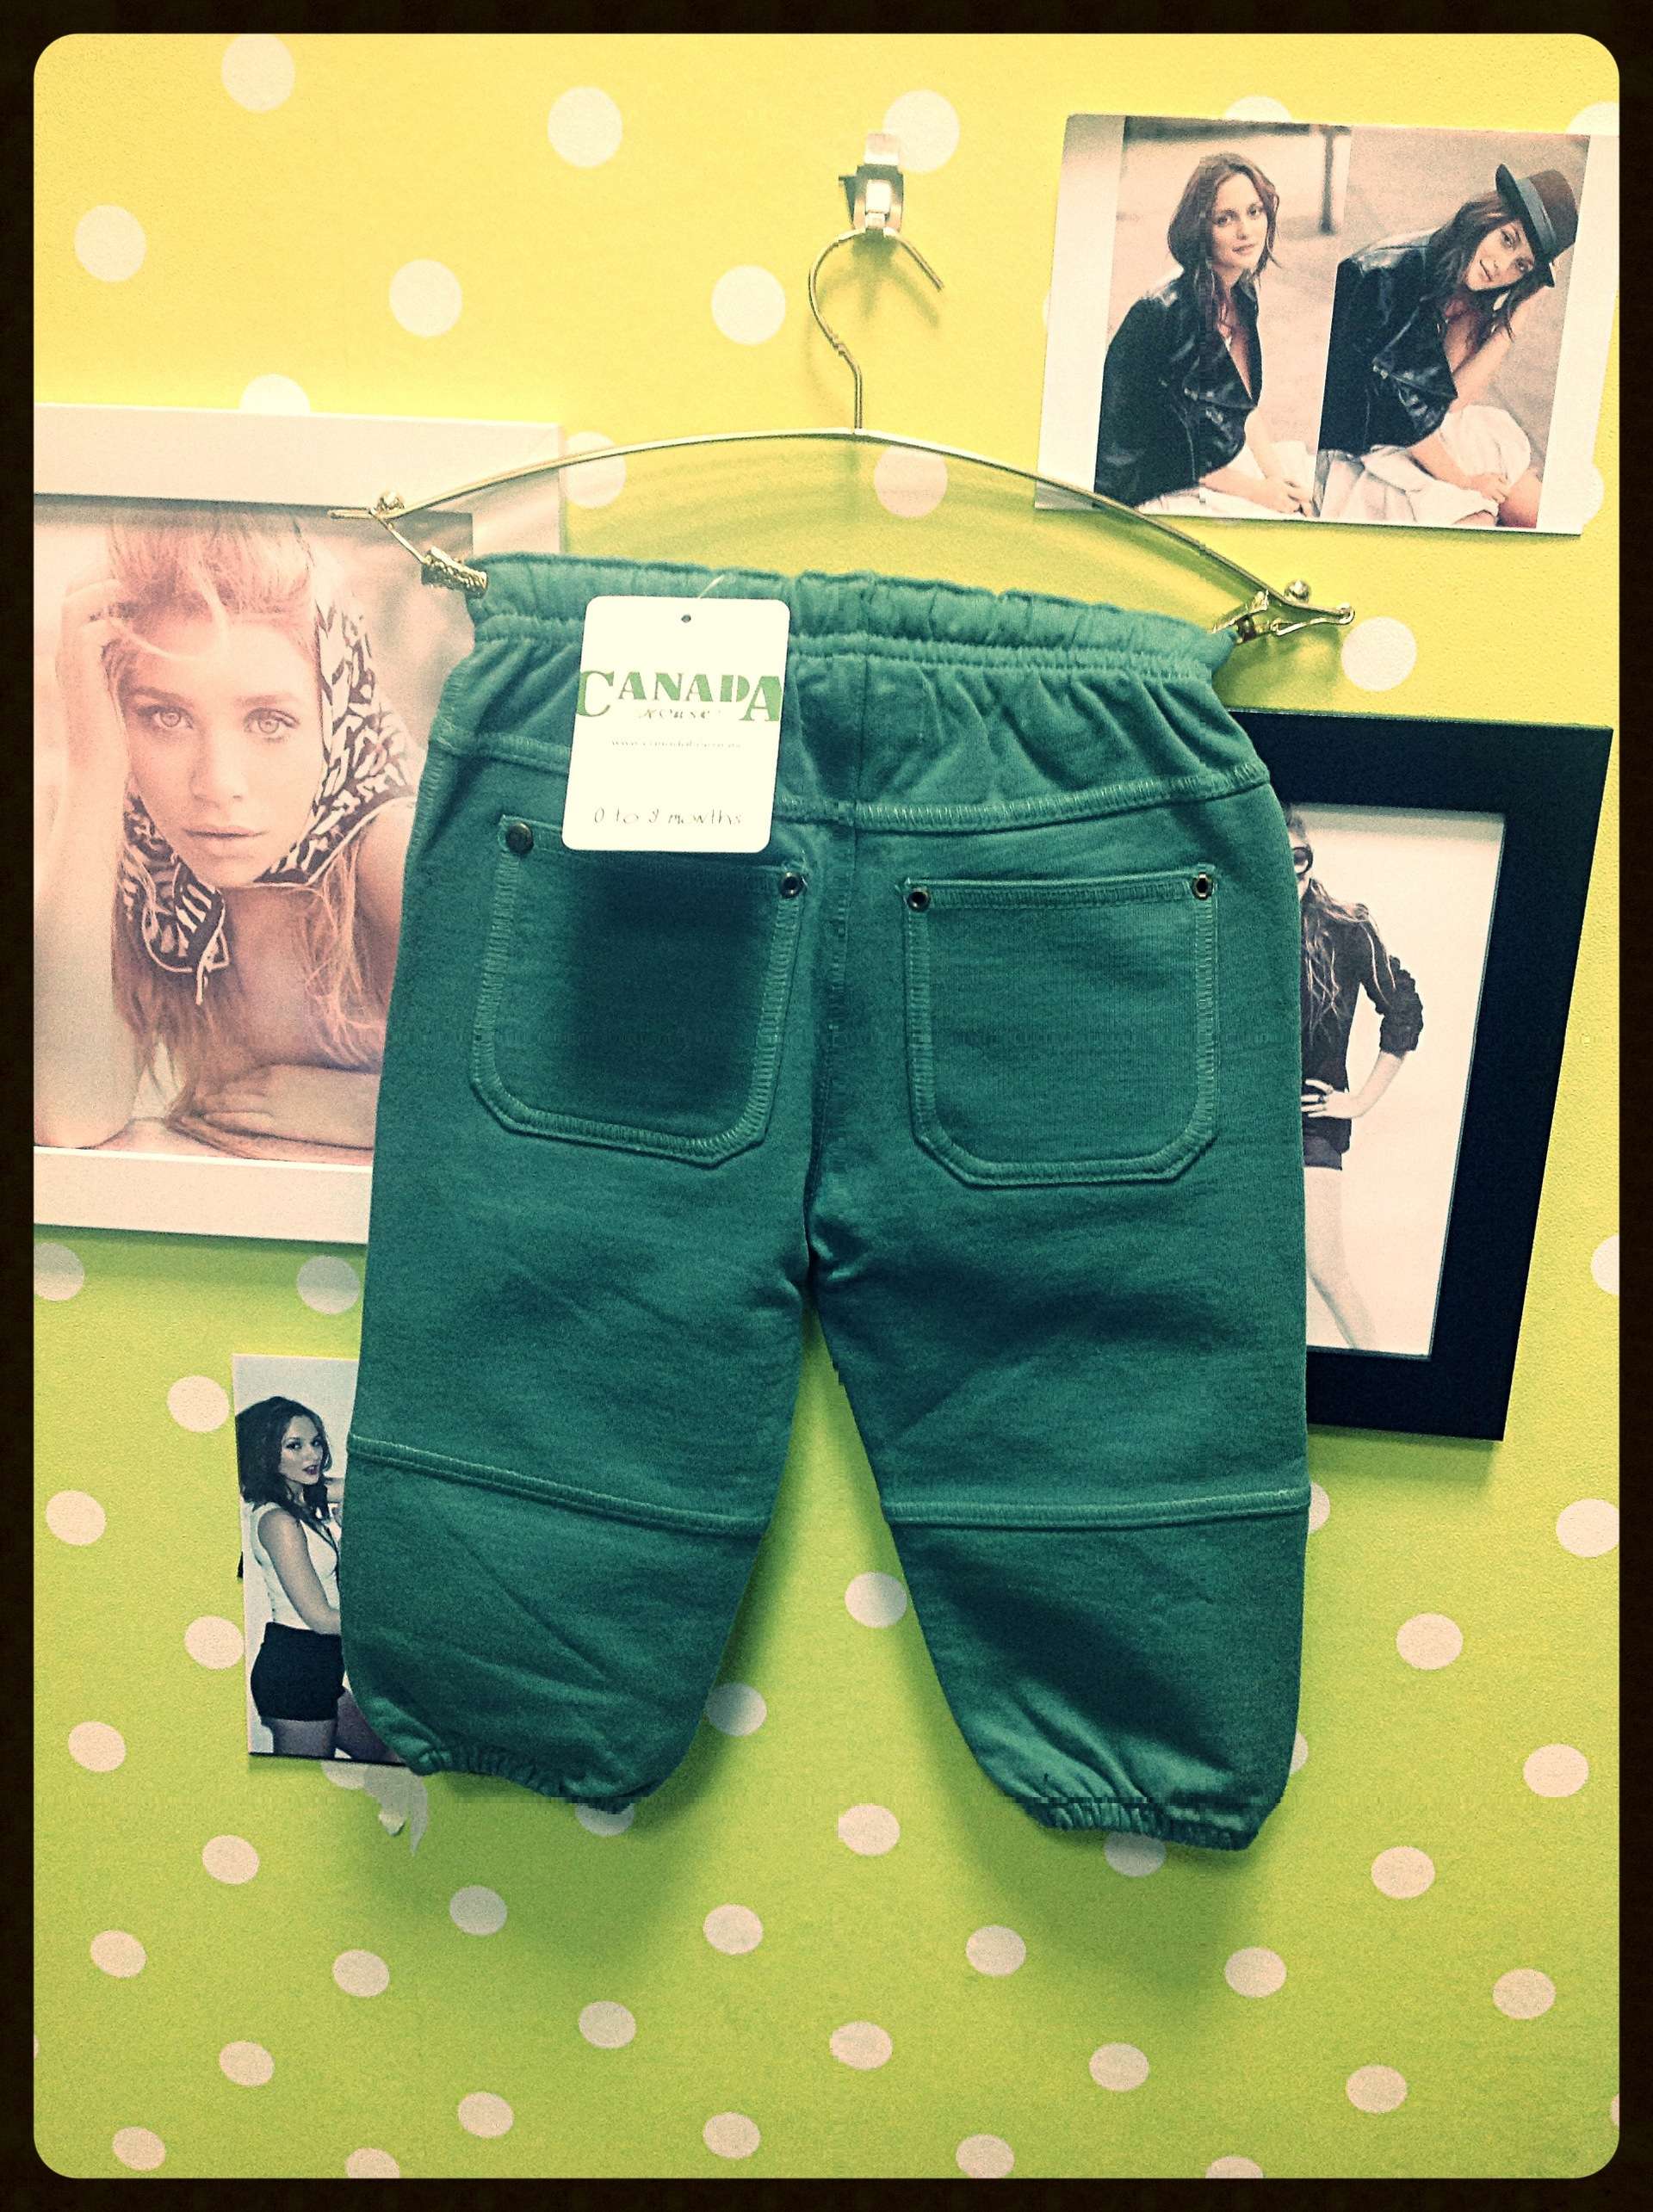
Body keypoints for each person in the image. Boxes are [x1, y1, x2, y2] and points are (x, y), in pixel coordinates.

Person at [34, 509, 421, 1156]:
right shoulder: (150, 870)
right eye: (165, 717)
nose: (218, 784)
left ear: (336, 719)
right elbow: (68, 1116)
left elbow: (564, 1106)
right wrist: (94, 765)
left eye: (269, 722)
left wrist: (380, 1110)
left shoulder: (391, 852)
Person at [1315, 165, 1578, 528]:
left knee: (1536, 513)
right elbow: (1403, 416)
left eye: (1521, 265)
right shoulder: (1390, 275)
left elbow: (1449, 402)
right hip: (1361, 448)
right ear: (1488, 218)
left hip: (1421, 433)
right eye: (1507, 239)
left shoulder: (1467, 283)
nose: (1501, 266)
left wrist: (1519, 313)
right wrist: (1465, 482)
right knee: (1476, 520)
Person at [1093, 151, 1315, 517]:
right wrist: (1260, 493)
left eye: (1254, 212)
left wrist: (1278, 481)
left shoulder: (1240, 294)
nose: (1245, 230)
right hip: (1144, 483)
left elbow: (1241, 405)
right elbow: (1179, 448)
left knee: (1307, 487)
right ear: (1200, 229)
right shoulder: (1173, 312)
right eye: (1225, 219)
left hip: (1202, 463)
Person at [1289, 809, 1425, 1350]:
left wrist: (1360, 1101)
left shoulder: (1345, 929)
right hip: (1241, 1120)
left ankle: (1384, 1380)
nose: (1289, 872)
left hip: (1310, 1119)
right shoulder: (1238, 925)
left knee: (1324, 1266)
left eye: (1298, 858)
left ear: (1310, 858)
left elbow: (1402, 1008)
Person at [237, 1395, 401, 1763]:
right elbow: (321, 1619)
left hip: (319, 1667)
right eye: (294, 1446)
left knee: (391, 1755)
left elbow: (371, 1487)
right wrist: (394, 1623)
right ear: (265, 1453)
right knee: (299, 1787)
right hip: (297, 1667)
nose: (311, 1455)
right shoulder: (279, 1521)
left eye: (315, 1442)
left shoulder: (304, 1501)